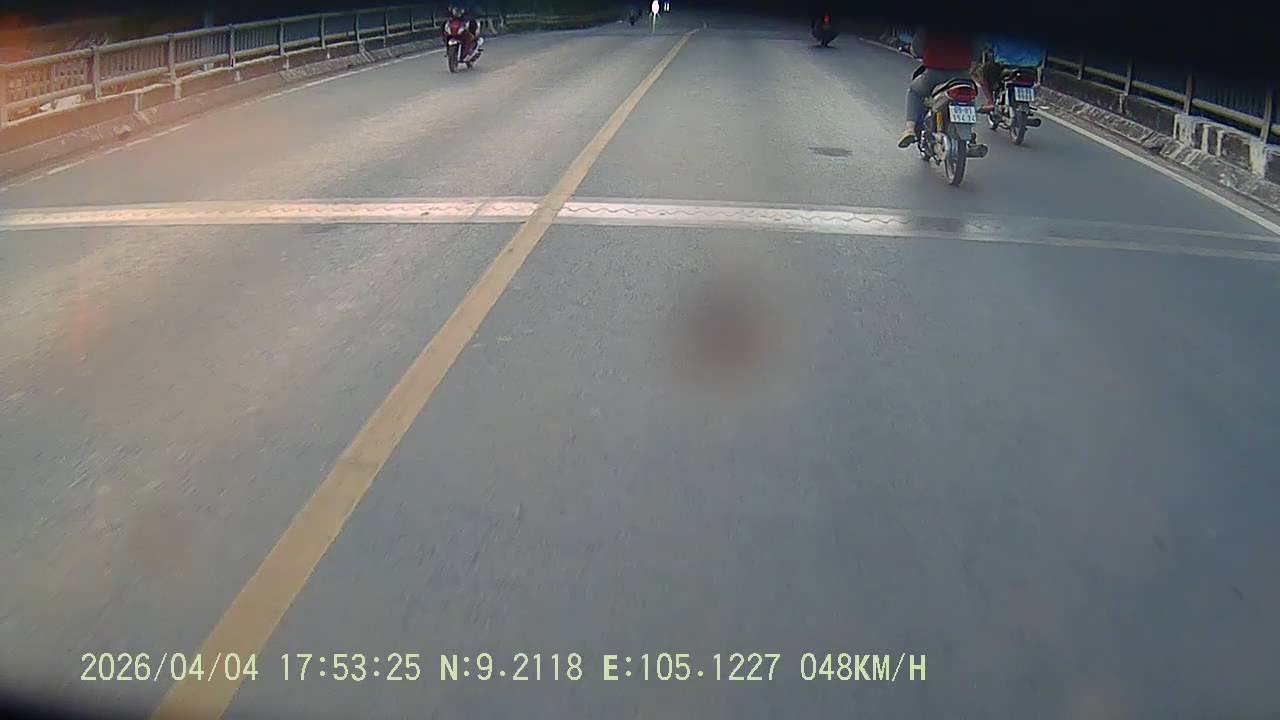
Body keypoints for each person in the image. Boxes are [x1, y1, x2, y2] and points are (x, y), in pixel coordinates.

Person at [897, 27, 982, 148]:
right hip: (962, 75)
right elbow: (977, 48)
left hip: (934, 74)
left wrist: (913, 51)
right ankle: (970, 134)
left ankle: (910, 129)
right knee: (968, 95)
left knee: (914, 91)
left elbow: (917, 49)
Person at [974, 36, 1045, 113]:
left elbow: (988, 43)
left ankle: (990, 102)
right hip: (1032, 63)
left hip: (1007, 62)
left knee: (981, 73)